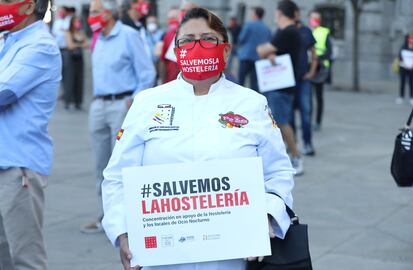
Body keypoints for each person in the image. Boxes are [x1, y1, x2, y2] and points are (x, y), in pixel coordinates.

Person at [101, 7, 294, 270]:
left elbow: (278, 173)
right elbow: (117, 177)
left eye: (208, 39)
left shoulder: (251, 103)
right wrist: (121, 231)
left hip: (233, 255)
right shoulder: (148, 102)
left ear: (225, 50)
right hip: (162, 257)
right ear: (176, 50)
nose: (197, 46)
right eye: (187, 41)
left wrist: (267, 216)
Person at [81, 0, 156, 234]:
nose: (91, 16)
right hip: (99, 104)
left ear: (110, 14)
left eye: (95, 12)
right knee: (100, 165)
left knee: (123, 165)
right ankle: (108, 217)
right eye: (90, 12)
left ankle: (130, 218)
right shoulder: (98, 39)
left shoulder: (128, 35)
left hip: (121, 105)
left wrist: (133, 100)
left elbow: (147, 72)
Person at [0, 0, 62, 269]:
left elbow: (4, 92)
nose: (2, 5)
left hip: (18, 167)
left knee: (25, 258)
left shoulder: (40, 45)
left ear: (31, 6)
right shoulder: (9, 41)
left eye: (8, 0)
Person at [257, 0, 304, 175]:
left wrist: (266, 51)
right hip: (282, 84)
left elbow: (262, 51)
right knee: (280, 121)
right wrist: (270, 52)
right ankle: (289, 155)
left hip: (280, 85)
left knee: (281, 122)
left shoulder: (287, 32)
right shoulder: (290, 32)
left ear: (280, 14)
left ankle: (296, 156)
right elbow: (271, 51)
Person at [290, 6, 318, 156]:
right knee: (289, 115)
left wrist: (312, 72)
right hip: (288, 81)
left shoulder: (306, 31)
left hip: (303, 80)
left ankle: (308, 143)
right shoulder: (285, 31)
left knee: (306, 114)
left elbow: (314, 54)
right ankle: (292, 143)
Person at [237, 7, 271, 91]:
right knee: (254, 84)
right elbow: (269, 44)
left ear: (255, 14)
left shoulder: (249, 25)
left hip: (246, 56)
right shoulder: (267, 29)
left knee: (240, 82)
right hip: (258, 58)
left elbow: (241, 38)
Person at [309, 10, 332, 131]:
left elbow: (329, 52)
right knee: (308, 98)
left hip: (320, 69)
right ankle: (308, 120)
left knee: (318, 97)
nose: (314, 21)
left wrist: (318, 58)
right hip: (308, 68)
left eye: (317, 19)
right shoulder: (307, 31)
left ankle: (318, 122)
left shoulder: (324, 32)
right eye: (313, 18)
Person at [63, 16, 89, 110]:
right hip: (70, 59)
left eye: (79, 21)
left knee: (79, 80)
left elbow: (87, 44)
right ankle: (67, 101)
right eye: (76, 21)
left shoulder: (81, 32)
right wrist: (80, 45)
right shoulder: (68, 32)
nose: (77, 23)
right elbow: (70, 46)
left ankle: (78, 102)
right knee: (70, 79)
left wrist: (77, 45)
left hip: (79, 58)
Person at [397, 33, 413, 105]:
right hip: (403, 67)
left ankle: (412, 97)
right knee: (402, 82)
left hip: (412, 68)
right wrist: (406, 64)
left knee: (411, 83)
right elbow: (400, 57)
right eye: (410, 38)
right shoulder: (403, 47)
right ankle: (401, 97)